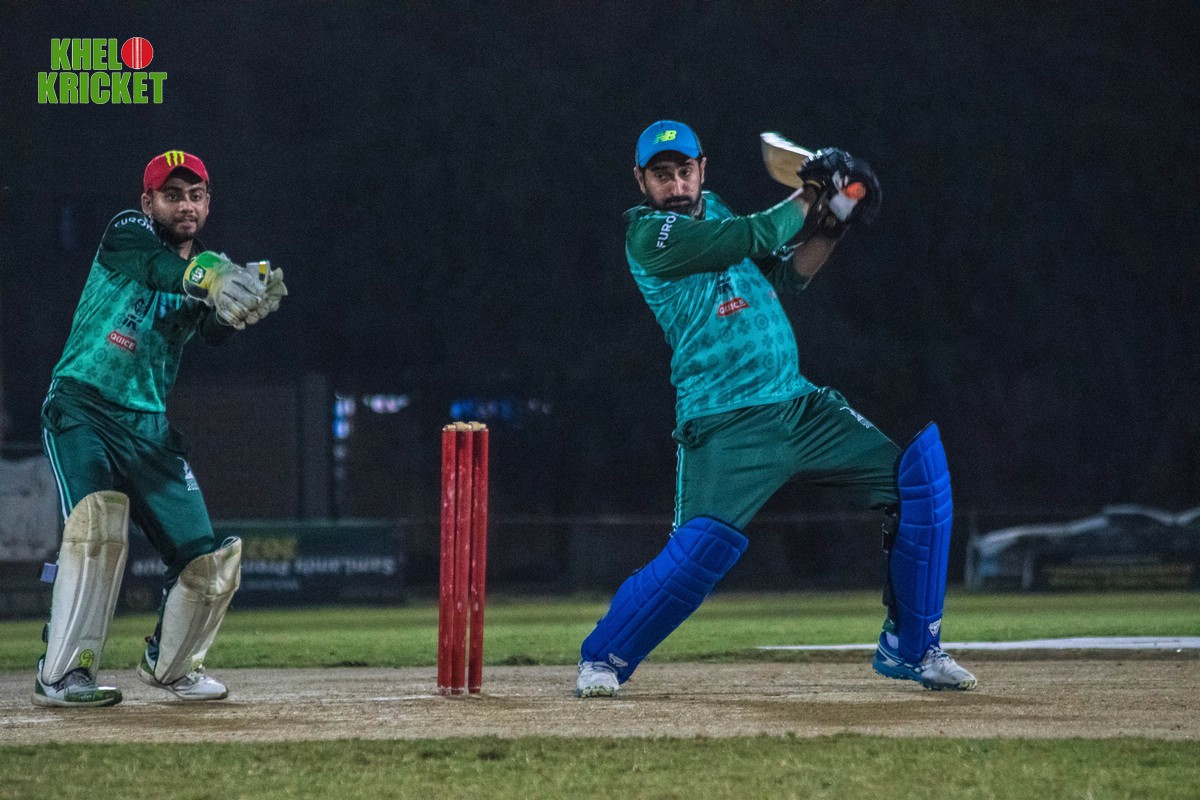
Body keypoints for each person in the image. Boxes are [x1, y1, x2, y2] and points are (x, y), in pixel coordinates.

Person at [575, 121, 976, 698]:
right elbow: (756, 234)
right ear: (641, 181)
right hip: (724, 419)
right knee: (699, 555)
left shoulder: (717, 211)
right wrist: (814, 190)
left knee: (920, 487)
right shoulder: (650, 235)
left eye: (685, 171)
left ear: (702, 169)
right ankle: (603, 658)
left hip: (800, 406)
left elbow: (787, 273)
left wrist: (835, 218)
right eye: (662, 175)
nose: (677, 185)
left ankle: (913, 648)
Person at [33, 150, 287, 707]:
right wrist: (214, 276)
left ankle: (172, 666)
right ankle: (63, 675)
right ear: (148, 202)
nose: (186, 206)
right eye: (172, 196)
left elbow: (212, 332)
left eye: (196, 196)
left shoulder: (207, 272)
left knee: (207, 561)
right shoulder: (127, 232)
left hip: (149, 426)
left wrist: (238, 309)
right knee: (96, 528)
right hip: (83, 405)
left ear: (208, 203)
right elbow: (159, 270)